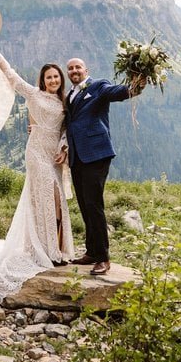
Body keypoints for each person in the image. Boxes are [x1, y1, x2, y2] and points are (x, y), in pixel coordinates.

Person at [0, 35, 74, 306]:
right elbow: (11, 75)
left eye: (56, 77)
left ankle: (56, 249)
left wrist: (65, 146)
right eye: (49, 77)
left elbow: (67, 129)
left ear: (60, 80)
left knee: (56, 204)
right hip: (36, 154)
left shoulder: (65, 102)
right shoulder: (33, 93)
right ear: (42, 80)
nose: (53, 81)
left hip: (54, 155)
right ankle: (44, 253)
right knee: (45, 198)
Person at [61, 57, 143, 276]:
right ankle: (91, 251)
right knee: (85, 205)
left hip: (96, 154)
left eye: (78, 67)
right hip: (77, 156)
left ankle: (103, 258)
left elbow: (119, 92)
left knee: (94, 205)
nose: (74, 70)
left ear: (86, 69)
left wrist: (137, 84)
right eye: (70, 68)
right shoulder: (69, 94)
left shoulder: (98, 86)